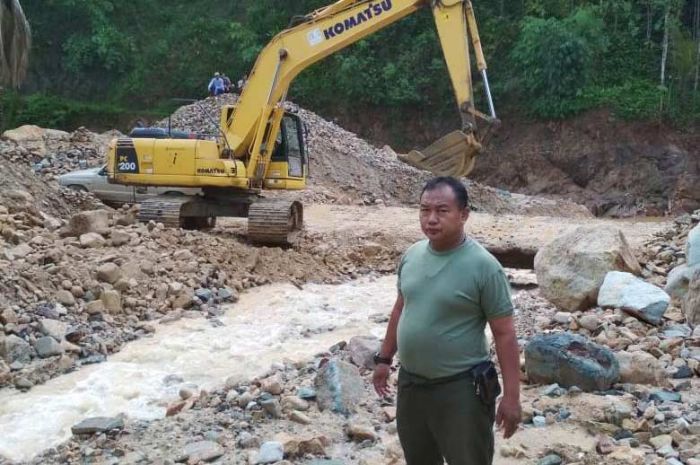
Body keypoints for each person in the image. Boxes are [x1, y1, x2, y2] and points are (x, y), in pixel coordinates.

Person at [373, 176, 522, 465]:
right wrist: (383, 359)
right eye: (424, 210)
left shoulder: (484, 267)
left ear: (464, 215)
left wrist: (512, 398)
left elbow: (504, 333)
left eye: (442, 211)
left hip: (461, 390)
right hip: (412, 386)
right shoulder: (411, 256)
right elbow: (401, 308)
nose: (431, 219)